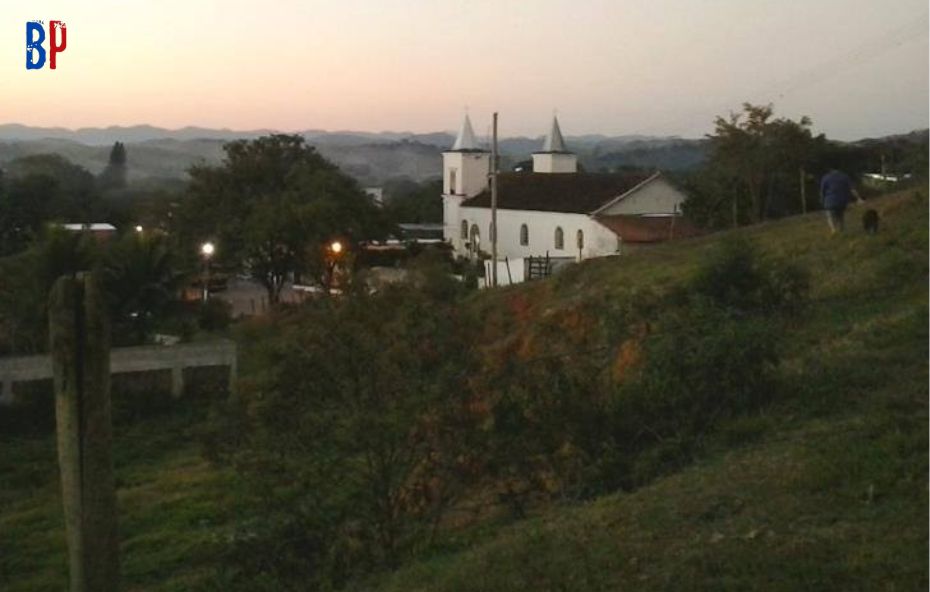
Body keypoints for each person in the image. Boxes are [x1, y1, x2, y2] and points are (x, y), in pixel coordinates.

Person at [820, 169, 864, 234]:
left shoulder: (826, 177)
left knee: (830, 216)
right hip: (842, 201)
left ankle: (834, 230)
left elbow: (822, 191)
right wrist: (858, 198)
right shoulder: (844, 177)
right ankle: (842, 230)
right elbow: (852, 189)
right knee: (840, 216)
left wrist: (822, 200)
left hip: (830, 200)